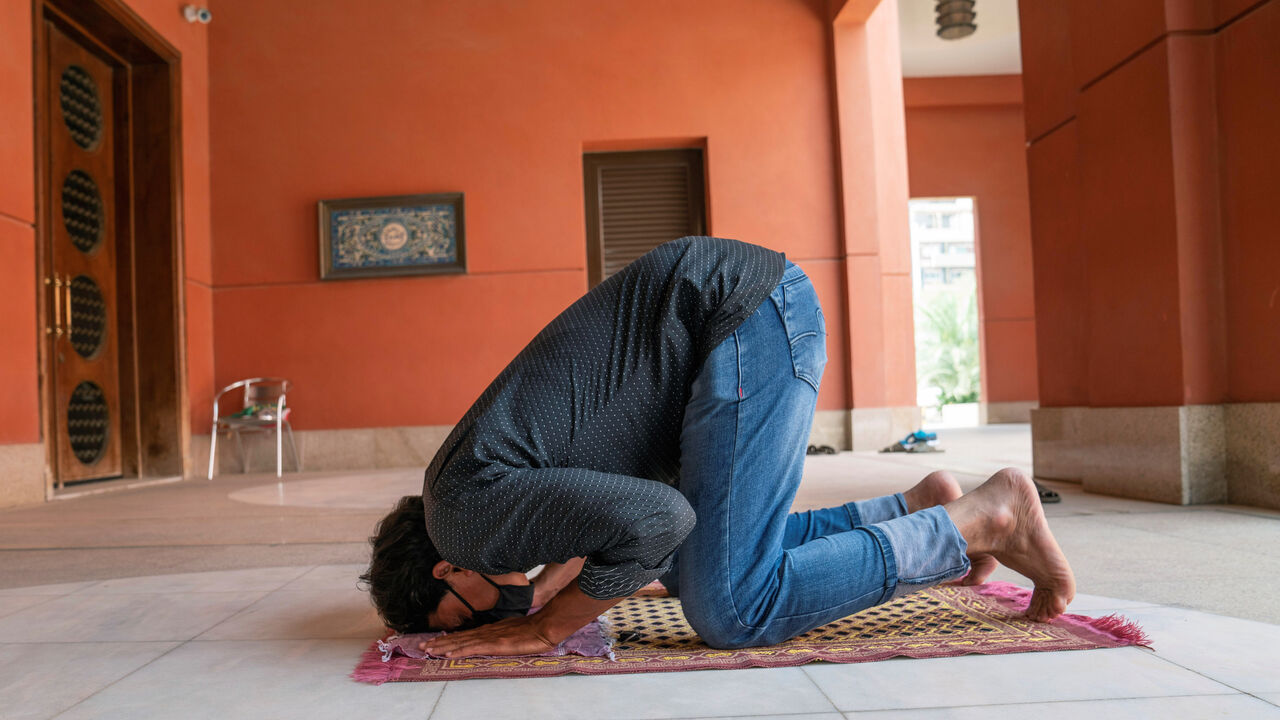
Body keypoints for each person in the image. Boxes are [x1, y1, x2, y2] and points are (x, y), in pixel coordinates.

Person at [361, 236, 1074, 658]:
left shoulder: (466, 519)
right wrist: (560, 588)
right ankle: (911, 511)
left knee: (731, 607)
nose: (496, 620)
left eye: (471, 613)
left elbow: (657, 521)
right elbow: (632, 534)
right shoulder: (467, 498)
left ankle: (984, 520)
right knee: (691, 568)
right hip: (746, 315)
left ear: (450, 563)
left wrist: (550, 627)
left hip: (742, 323)